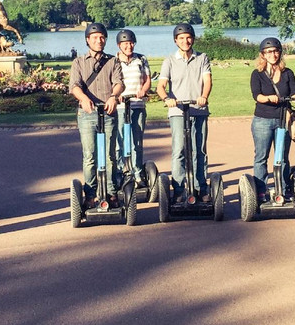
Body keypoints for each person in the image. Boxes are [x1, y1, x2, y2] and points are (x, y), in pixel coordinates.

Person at [157, 23, 213, 201]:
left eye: (188, 37)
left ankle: (201, 187)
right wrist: (167, 98)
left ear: (193, 39)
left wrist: (203, 96)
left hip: (199, 109)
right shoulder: (169, 61)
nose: (185, 41)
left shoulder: (202, 57)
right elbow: (161, 85)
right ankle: (179, 189)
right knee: (179, 150)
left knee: (199, 150)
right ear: (176, 41)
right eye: (181, 38)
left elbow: (207, 80)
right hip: (177, 111)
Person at [69, 22, 123, 204]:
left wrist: (114, 97)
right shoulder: (78, 62)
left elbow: (119, 83)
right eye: (94, 38)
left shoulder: (113, 61)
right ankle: (91, 194)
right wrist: (83, 99)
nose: (99, 41)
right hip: (87, 114)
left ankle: (111, 191)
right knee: (90, 156)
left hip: (108, 112)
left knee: (109, 155)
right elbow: (74, 86)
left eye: (102, 37)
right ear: (87, 40)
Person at [249, 36, 295, 201]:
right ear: (263, 55)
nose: (272, 54)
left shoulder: (288, 73)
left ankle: (284, 189)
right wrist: (268, 98)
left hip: (283, 118)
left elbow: (293, 92)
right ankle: (260, 191)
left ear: (280, 53)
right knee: (261, 157)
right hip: (263, 120)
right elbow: (256, 95)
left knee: (282, 156)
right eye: (268, 52)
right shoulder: (257, 74)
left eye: (275, 51)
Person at [114, 28, 152, 187]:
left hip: (137, 105)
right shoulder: (113, 61)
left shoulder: (141, 59)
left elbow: (147, 78)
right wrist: (116, 95)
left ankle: (137, 173)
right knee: (120, 141)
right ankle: (120, 172)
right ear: (119, 45)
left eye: (131, 43)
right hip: (120, 107)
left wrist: (143, 90)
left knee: (137, 142)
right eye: (125, 43)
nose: (129, 46)